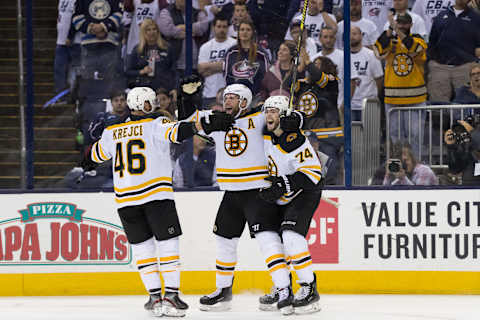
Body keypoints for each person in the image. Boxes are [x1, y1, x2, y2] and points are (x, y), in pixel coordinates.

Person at [87, 86, 234, 317]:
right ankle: (172, 297)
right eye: (151, 102)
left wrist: (94, 136)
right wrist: (205, 124)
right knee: (168, 244)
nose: (154, 105)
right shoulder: (155, 124)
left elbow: (91, 159)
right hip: (155, 196)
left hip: (125, 200)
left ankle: (155, 298)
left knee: (142, 248)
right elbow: (181, 132)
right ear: (144, 104)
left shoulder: (112, 131)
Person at [177, 78, 305, 312]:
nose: (226, 101)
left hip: (257, 192)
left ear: (244, 101)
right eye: (225, 97)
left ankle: (285, 289)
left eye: (232, 97)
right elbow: (186, 123)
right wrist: (185, 97)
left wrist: (293, 118)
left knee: (268, 242)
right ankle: (223, 290)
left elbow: (286, 120)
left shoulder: (258, 118)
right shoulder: (216, 122)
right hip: (231, 195)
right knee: (224, 241)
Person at [258, 95, 322, 315]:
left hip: (305, 192)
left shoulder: (294, 139)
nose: (269, 115)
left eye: (274, 111)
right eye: (267, 111)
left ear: (284, 114)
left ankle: (309, 287)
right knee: (271, 240)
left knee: (292, 237)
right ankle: (282, 286)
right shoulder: (266, 133)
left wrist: (283, 183)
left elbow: (313, 175)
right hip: (283, 193)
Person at [374, 12, 427, 158]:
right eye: (399, 23)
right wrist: (390, 30)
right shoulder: (390, 41)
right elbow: (378, 49)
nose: (402, 26)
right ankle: (398, 169)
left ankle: (416, 168)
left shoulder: (418, 39)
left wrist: (396, 30)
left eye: (404, 24)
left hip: (415, 99)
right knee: (395, 138)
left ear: (410, 25)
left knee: (415, 137)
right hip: (393, 99)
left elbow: (415, 49)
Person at [427, 0, 480, 102]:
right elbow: (432, 41)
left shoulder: (476, 18)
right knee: (438, 105)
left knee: (465, 104)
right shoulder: (441, 15)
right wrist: (431, 62)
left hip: (465, 67)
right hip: (440, 67)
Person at [158, 0, 209, 76]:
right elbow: (167, 30)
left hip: (195, 64)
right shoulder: (166, 12)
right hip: (175, 64)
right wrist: (192, 30)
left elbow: (203, 26)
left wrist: (181, 27)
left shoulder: (197, 12)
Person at [126, 19, 177, 94]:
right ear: (143, 32)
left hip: (165, 89)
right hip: (144, 90)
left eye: (154, 29)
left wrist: (175, 88)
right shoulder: (137, 49)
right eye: (148, 30)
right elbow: (128, 71)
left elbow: (174, 70)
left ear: (158, 31)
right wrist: (141, 71)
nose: (152, 32)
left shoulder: (167, 47)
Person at [198, 14, 236, 108]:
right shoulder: (206, 46)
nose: (222, 29)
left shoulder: (234, 44)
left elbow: (234, 67)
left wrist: (210, 67)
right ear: (214, 27)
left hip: (230, 93)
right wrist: (224, 66)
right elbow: (201, 70)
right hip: (209, 93)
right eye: (219, 26)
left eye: (224, 27)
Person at [224, 18, 269, 96]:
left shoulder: (261, 53)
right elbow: (227, 77)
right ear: (238, 32)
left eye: (248, 30)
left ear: (252, 33)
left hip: (255, 96)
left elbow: (264, 78)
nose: (245, 32)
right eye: (242, 29)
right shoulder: (231, 53)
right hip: (235, 95)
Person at [350, 26, 384, 121]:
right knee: (351, 135)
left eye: (355, 34)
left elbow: (379, 79)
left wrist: (373, 96)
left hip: (368, 104)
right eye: (349, 34)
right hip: (349, 105)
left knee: (369, 135)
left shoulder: (371, 55)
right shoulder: (343, 56)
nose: (351, 37)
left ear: (361, 36)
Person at [312, 27, 344, 109]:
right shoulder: (313, 58)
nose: (328, 40)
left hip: (340, 103)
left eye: (331, 37)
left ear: (335, 39)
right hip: (319, 104)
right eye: (325, 37)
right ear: (320, 39)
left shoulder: (344, 56)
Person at [444, 117, 480, 185]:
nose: (462, 133)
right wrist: (451, 146)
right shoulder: (465, 144)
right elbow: (455, 169)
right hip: (470, 183)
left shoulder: (474, 137)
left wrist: (472, 133)